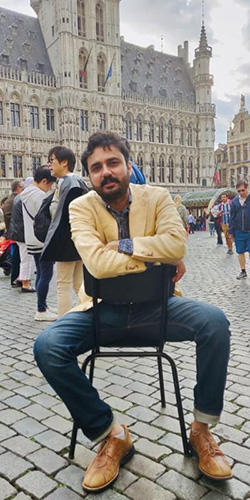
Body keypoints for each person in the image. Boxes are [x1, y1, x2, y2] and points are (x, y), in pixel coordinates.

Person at [34, 132, 232, 493]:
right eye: (97, 168)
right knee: (47, 346)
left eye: (113, 163)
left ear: (128, 164)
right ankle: (111, 434)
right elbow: (95, 262)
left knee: (215, 323)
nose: (106, 172)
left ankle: (201, 430)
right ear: (90, 176)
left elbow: (176, 243)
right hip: (100, 312)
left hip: (157, 308)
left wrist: (125, 246)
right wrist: (157, 262)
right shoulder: (81, 206)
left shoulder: (156, 198)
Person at [39, 146, 88, 317]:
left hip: (66, 241)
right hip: (75, 241)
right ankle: (89, 315)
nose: (49, 165)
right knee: (78, 283)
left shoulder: (70, 183)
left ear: (64, 162)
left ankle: (64, 322)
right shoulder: (74, 181)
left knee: (63, 284)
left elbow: (64, 217)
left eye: (52, 160)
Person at [20, 166, 57, 320]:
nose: (49, 188)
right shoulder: (38, 196)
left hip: (32, 239)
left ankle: (43, 305)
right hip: (42, 241)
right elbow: (50, 215)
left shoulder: (26, 193)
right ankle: (41, 310)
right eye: (49, 184)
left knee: (42, 273)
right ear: (43, 181)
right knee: (46, 274)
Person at [9, 177, 35, 292]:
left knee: (24, 258)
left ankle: (21, 278)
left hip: (18, 232)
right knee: (27, 259)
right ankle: (25, 284)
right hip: (23, 233)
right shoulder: (25, 198)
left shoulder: (19, 197)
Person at [2, 180, 24, 287]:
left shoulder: (12, 199)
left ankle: (17, 277)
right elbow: (8, 217)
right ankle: (15, 278)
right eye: (22, 187)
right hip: (15, 232)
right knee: (16, 256)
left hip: (14, 231)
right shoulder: (13, 200)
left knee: (17, 255)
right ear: (17, 188)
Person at [229, 179, 250, 279]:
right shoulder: (235, 202)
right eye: (239, 191)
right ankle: (243, 271)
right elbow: (232, 217)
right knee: (240, 251)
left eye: (243, 190)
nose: (241, 192)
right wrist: (231, 232)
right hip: (239, 232)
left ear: (247, 188)